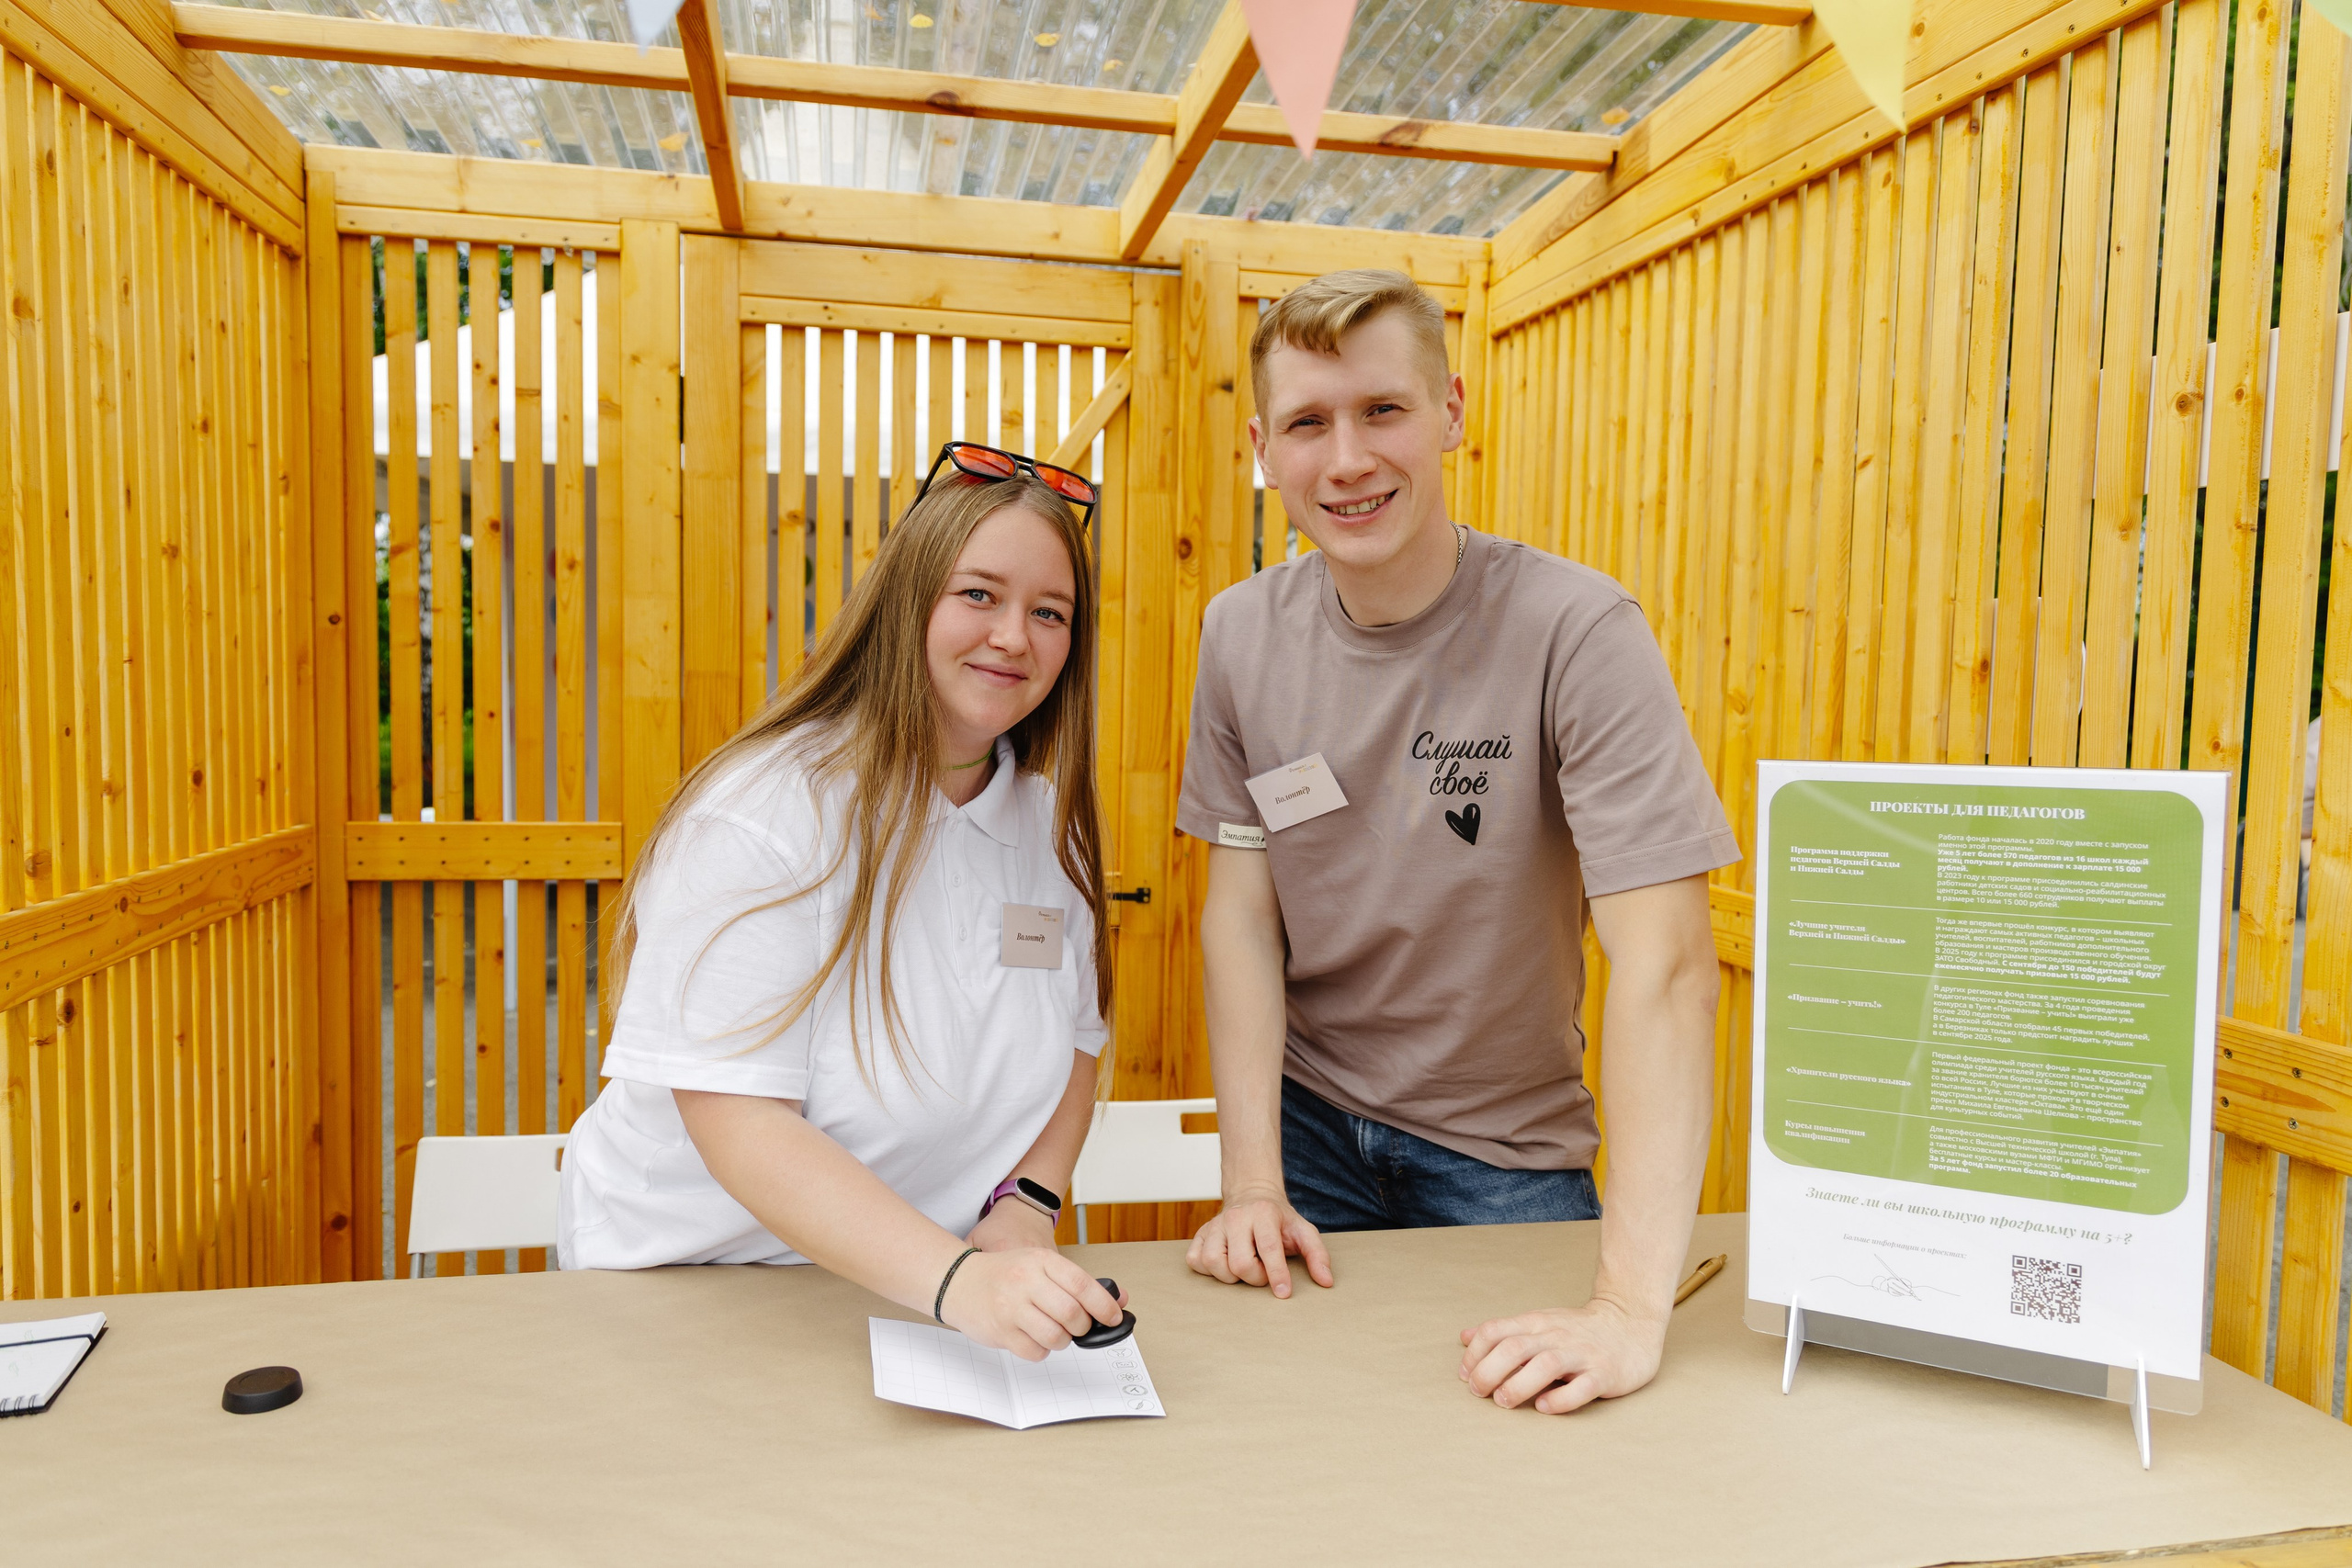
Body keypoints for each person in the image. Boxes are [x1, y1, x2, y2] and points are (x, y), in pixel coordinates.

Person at [1176, 270, 1737, 1414]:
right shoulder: (1238, 634)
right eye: (1307, 424)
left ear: (1451, 414)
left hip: (1506, 1161)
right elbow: (1240, 914)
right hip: (1306, 1134)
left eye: (1382, 410)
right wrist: (1249, 1182)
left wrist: (1631, 1311)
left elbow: (1669, 967)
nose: (1346, 460)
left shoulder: (1577, 631)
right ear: (1262, 449)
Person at [558, 444, 1125, 1360]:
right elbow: (736, 1115)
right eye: (977, 594)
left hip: (905, 1295)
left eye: (1048, 612)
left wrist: (1023, 1210)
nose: (1014, 637)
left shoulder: (1040, 830)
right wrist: (957, 1283)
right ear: (906, 602)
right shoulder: (765, 813)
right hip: (683, 1293)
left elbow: (1077, 1044)